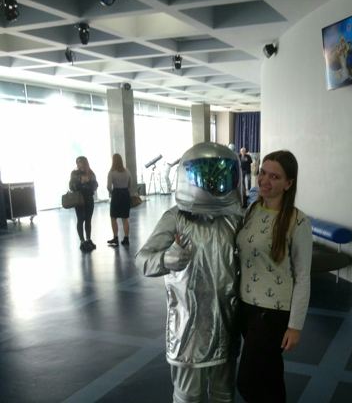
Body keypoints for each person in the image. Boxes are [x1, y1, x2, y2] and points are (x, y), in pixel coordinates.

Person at [135, 142, 243, 403]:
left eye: (221, 174)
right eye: (206, 175)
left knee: (223, 395)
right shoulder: (176, 218)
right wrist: (165, 259)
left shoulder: (235, 218)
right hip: (189, 328)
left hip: (227, 323)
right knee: (187, 397)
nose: (214, 183)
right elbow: (142, 260)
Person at [236, 150, 313, 403]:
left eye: (275, 177)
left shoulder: (297, 221)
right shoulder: (253, 210)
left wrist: (295, 326)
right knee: (269, 375)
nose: (264, 180)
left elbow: (303, 276)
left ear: (288, 183)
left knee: (247, 382)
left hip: (272, 312)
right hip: (246, 306)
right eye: (263, 173)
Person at [69, 156, 98, 252]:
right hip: (79, 200)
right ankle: (82, 241)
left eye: (80, 162)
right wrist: (80, 181)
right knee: (80, 219)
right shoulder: (74, 173)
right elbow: (71, 186)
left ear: (85, 163)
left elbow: (95, 185)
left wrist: (89, 182)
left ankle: (88, 239)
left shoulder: (90, 172)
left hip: (89, 198)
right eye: (77, 162)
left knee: (88, 220)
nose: (79, 164)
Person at [107, 153, 132, 247]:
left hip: (116, 194)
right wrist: (126, 190)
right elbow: (130, 183)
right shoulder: (127, 171)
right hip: (125, 194)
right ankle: (126, 238)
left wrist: (112, 192)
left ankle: (115, 238)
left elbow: (108, 186)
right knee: (125, 218)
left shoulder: (112, 172)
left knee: (113, 217)